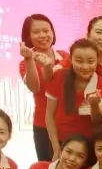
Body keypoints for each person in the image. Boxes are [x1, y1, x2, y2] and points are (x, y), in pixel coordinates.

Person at [45, 38, 102, 158]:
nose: (85, 67)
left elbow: (97, 118)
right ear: (70, 59)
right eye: (79, 61)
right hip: (61, 144)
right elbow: (49, 115)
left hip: (88, 146)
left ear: (97, 61)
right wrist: (56, 147)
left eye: (90, 61)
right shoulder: (59, 76)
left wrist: (94, 104)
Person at [19, 14, 69, 161]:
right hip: (43, 126)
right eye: (36, 32)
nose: (42, 35)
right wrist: (29, 59)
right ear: (28, 36)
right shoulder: (24, 64)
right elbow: (35, 88)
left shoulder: (66, 56)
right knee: (48, 167)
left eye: (46, 30)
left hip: (69, 123)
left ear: (52, 32)